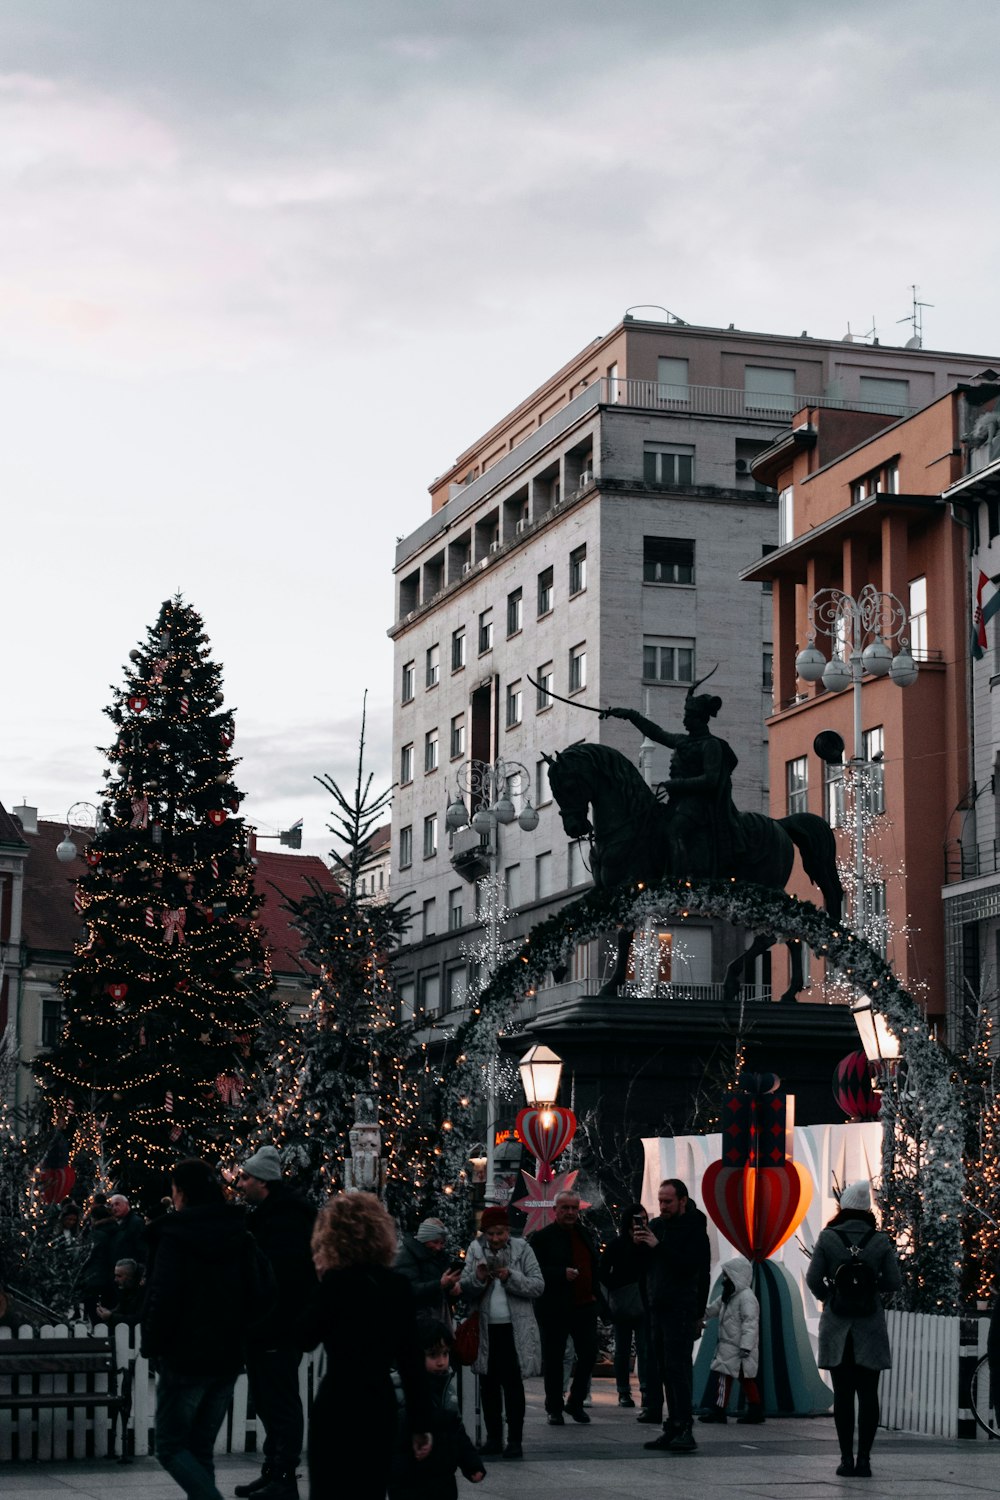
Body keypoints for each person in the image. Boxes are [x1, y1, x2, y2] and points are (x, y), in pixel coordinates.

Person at [142, 1157, 275, 1500]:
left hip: (184, 1354)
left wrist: (153, 1344)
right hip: (226, 1355)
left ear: (182, 1193)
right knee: (200, 1449)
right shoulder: (239, 1234)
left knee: (170, 1447)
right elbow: (262, 1291)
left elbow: (163, 1295)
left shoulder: (174, 1237)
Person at [300, 1192, 432, 1500]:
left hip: (337, 1401)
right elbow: (412, 1360)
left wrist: (317, 1285)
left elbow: (304, 1337)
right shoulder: (396, 1287)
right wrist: (420, 1423)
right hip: (378, 1403)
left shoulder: (334, 1285)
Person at [234, 1145, 316, 1500]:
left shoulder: (284, 1221)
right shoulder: (270, 1216)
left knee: (279, 1400)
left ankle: (283, 1476)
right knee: (269, 1400)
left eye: (246, 1177)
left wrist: (267, 1324)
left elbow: (283, 1281)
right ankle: (274, 1471)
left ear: (263, 1182)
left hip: (277, 1327)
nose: (240, 1183)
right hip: (269, 1326)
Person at [805, 1180, 901, 1479]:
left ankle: (846, 1459)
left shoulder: (828, 1237)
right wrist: (870, 1292)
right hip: (869, 1325)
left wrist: (831, 1298)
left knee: (844, 1395)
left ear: (843, 1206)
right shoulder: (880, 1240)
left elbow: (813, 1279)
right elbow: (894, 1282)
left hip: (838, 1327)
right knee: (869, 1394)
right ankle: (865, 1460)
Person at [603, 691, 745, 878]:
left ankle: (680, 880)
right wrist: (631, 715)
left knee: (674, 830)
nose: (685, 721)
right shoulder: (682, 740)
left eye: (689, 717)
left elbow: (711, 780)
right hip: (678, 802)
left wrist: (678, 784)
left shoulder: (711, 745)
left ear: (700, 719)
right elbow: (656, 733)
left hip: (700, 804)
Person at [460, 1205, 543, 1459]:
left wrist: (510, 1277)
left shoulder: (522, 1249)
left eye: (500, 1233)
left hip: (513, 1327)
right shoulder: (475, 1249)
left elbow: (537, 1285)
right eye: (491, 1234)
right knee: (488, 1384)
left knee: (513, 1385)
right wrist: (479, 1277)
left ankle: (515, 1439)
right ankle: (494, 1437)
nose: (495, 1239)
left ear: (507, 1231)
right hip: (486, 1329)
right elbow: (465, 1286)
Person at [635, 1177, 711, 1454]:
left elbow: (692, 1268)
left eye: (668, 1201)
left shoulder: (694, 1229)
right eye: (660, 1201)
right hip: (657, 1306)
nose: (663, 1206)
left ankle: (685, 1426)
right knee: (664, 1368)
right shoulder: (657, 1227)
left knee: (678, 1368)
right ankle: (674, 1425)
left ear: (682, 1200)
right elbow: (643, 1268)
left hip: (680, 1307)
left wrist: (698, 1313)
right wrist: (639, 1246)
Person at [529, 1190, 602, 1427]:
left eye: (574, 1208)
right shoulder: (542, 1238)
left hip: (584, 1305)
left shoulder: (585, 1233)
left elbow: (593, 1265)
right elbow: (534, 1271)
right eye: (565, 1208)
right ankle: (554, 1408)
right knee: (555, 1359)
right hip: (555, 1307)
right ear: (556, 1210)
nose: (570, 1212)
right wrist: (560, 1273)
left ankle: (576, 1401)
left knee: (590, 1353)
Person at [389, 1317, 485, 1498]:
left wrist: (471, 1463)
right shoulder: (402, 1390)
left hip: (443, 1479)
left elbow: (457, 1431)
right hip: (410, 1480)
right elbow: (399, 1432)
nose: (441, 1362)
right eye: (433, 1355)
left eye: (445, 1354)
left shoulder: (446, 1390)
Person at [599, 1201, 654, 1410]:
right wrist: (615, 1286)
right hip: (623, 1302)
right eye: (637, 1219)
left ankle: (646, 1389)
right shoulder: (618, 1244)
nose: (641, 1223)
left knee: (644, 1349)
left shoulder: (649, 1242)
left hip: (644, 1301)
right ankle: (623, 1391)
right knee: (622, 1350)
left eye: (644, 1219)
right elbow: (603, 1270)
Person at [698, 1256, 763, 1425]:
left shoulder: (740, 1297)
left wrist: (745, 1346)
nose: (725, 1279)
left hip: (733, 1346)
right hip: (736, 1346)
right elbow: (713, 1309)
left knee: (724, 1379)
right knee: (745, 1379)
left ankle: (719, 1411)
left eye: (727, 1275)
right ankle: (755, 1410)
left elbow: (750, 1323)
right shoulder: (735, 1295)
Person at [395, 1217, 463, 1327]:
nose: (438, 1247)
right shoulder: (406, 1255)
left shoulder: (440, 1257)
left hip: (437, 1321)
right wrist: (440, 1284)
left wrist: (452, 1289)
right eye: (435, 1242)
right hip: (415, 1323)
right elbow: (408, 1290)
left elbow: (442, 1294)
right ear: (425, 1238)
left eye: (442, 1243)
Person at [79, 1200, 118, 1324]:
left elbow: (87, 1256)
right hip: (111, 1277)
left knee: (94, 1313)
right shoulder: (116, 1230)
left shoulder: (96, 1234)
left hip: (95, 1277)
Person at [96, 1257, 145, 1331]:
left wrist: (111, 1316)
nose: (115, 1279)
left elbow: (138, 1319)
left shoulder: (143, 1294)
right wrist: (108, 1313)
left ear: (131, 1277)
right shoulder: (127, 1292)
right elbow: (120, 1309)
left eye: (119, 1276)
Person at [108, 1192, 148, 1266]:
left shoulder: (136, 1223)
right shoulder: (115, 1225)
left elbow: (142, 1249)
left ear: (126, 1204)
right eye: (112, 1206)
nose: (114, 1208)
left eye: (117, 1204)